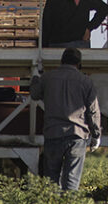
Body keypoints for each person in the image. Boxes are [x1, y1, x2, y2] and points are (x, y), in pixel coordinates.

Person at [29, 47, 101, 191]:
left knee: (51, 181)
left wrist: (35, 76)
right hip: (76, 135)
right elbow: (93, 111)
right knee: (71, 181)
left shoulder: (48, 78)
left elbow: (35, 94)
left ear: (62, 61)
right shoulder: (85, 81)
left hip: (53, 133)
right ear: (79, 64)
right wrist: (96, 135)